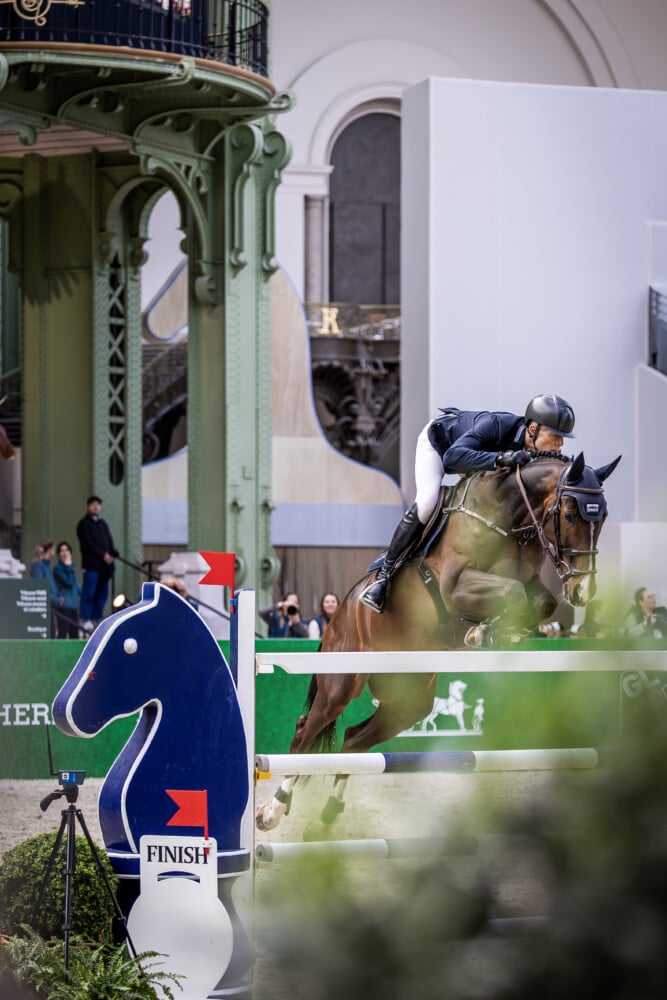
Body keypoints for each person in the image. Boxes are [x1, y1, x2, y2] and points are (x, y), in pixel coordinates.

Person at [360, 394, 576, 613]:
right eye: (556, 435)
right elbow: (452, 457)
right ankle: (384, 577)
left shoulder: (538, 454)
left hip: (474, 463)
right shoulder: (497, 425)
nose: (561, 443)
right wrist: (500, 459)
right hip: (440, 446)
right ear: (533, 429)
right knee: (427, 501)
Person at [76, 495, 119, 630]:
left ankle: (96, 617)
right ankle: (85, 618)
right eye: (93, 504)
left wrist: (112, 554)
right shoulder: (83, 524)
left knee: (102, 594)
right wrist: (103, 555)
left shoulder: (103, 524)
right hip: (91, 566)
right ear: (88, 506)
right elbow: (87, 544)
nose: (96, 506)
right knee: (89, 593)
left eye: (98, 504)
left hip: (104, 567)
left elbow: (109, 541)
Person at [52, 541, 82, 638]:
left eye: (67, 550)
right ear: (58, 554)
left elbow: (75, 586)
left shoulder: (71, 567)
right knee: (62, 633)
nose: (64, 553)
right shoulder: (58, 569)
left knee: (75, 634)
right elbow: (68, 582)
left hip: (74, 605)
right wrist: (68, 566)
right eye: (61, 551)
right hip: (64, 606)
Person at [29, 539, 58, 637]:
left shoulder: (46, 566)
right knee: (50, 634)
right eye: (53, 548)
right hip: (44, 606)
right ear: (49, 550)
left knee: (53, 633)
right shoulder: (38, 566)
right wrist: (56, 599)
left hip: (51, 605)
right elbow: (39, 588)